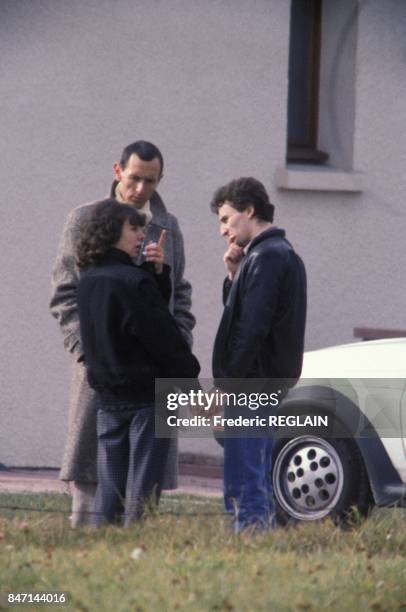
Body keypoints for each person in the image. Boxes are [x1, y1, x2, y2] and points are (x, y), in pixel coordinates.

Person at [50, 140, 195, 526]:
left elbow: (179, 293)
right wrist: (89, 351)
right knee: (93, 477)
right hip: (102, 375)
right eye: (134, 178)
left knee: (144, 484)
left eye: (150, 181)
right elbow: (64, 295)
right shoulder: (84, 219)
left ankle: (134, 557)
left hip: (154, 376)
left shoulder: (169, 227)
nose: (140, 189)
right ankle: (88, 551)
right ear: (117, 171)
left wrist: (178, 341)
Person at [75, 200, 200, 526]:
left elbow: (120, 326)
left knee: (110, 484)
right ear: (113, 231)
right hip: (147, 399)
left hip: (108, 398)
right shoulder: (133, 282)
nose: (142, 235)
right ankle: (135, 544)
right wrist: (191, 380)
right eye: (134, 228)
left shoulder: (89, 279)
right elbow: (163, 338)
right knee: (142, 490)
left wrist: (154, 274)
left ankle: (102, 547)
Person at [210, 177, 307, 533]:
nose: (223, 230)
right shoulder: (267, 256)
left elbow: (252, 329)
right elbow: (247, 317)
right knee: (251, 464)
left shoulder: (268, 258)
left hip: (252, 382)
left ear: (249, 210)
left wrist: (227, 384)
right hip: (257, 380)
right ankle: (253, 535)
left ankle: (251, 537)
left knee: (247, 469)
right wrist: (234, 275)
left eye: (226, 218)